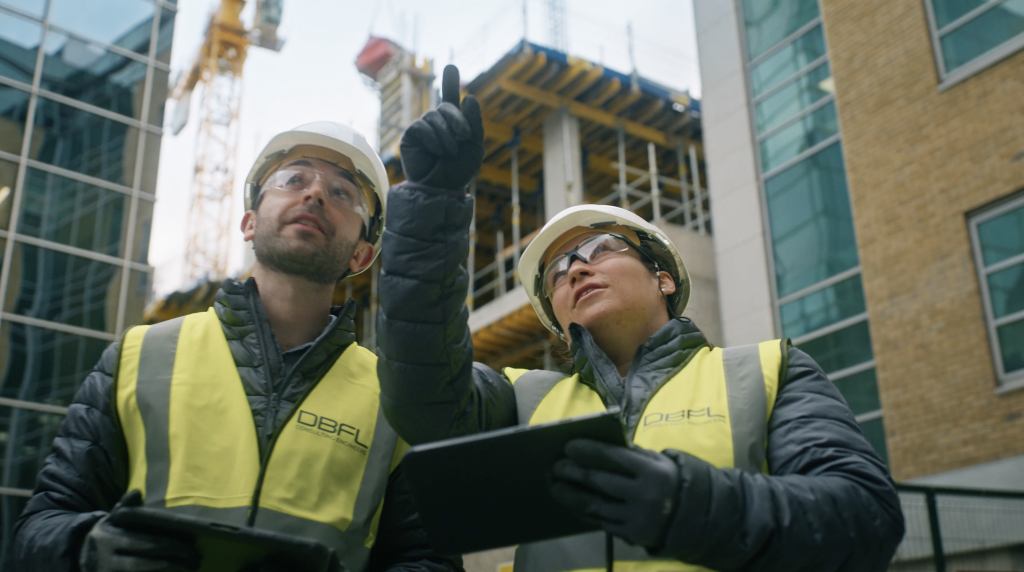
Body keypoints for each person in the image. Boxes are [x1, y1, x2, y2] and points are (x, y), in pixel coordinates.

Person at [375, 66, 906, 571]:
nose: (577, 267)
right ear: (560, 322)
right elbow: (423, 394)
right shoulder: (522, 401)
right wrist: (432, 203)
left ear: (665, 279)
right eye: (558, 272)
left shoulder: (767, 375)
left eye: (601, 248)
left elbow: (865, 517)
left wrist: (687, 505)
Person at [14, 121, 463, 572]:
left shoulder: (394, 398)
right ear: (249, 222)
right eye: (293, 180)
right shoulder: (138, 356)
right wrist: (86, 546)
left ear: (361, 256)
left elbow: (431, 561)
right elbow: (41, 524)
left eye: (343, 193)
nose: (315, 195)